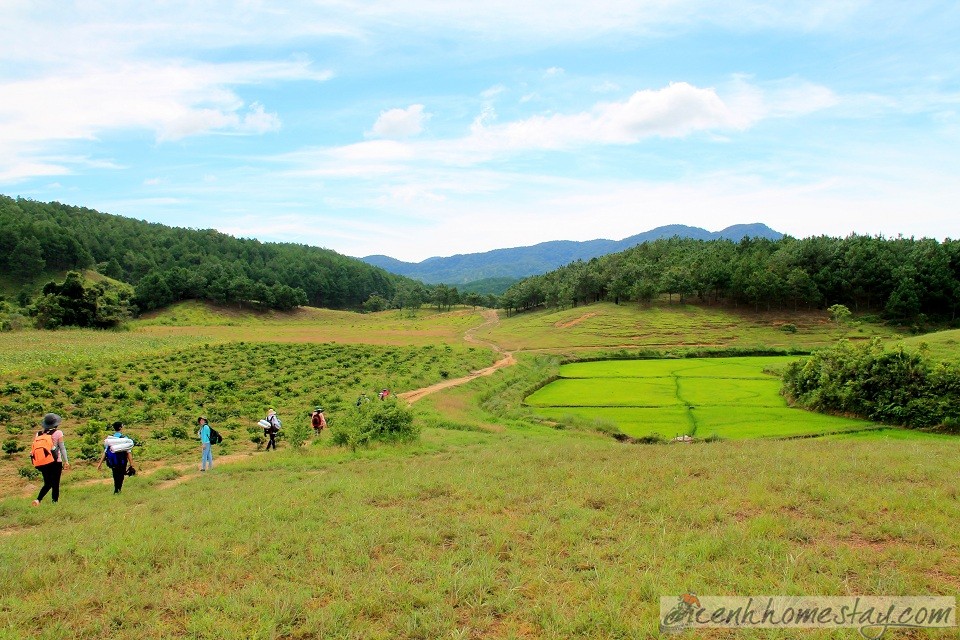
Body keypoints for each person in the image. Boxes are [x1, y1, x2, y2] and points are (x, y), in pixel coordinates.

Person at [32, 412, 70, 505]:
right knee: (55, 483)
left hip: (43, 461)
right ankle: (54, 503)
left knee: (48, 483)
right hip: (55, 461)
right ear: (56, 423)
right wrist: (66, 461)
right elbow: (62, 447)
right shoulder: (58, 433)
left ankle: (38, 500)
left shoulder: (39, 434)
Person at [97, 421, 134, 494]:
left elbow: (105, 452)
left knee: (115, 474)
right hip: (122, 461)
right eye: (122, 425)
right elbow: (128, 452)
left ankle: (116, 489)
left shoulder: (110, 439)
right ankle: (118, 489)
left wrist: (100, 463)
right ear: (120, 428)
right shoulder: (124, 438)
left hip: (113, 461)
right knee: (121, 475)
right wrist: (131, 463)